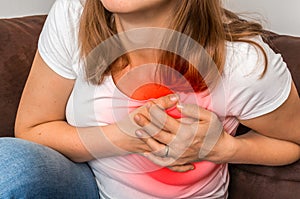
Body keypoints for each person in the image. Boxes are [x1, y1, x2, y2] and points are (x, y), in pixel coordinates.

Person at [0, 0, 299, 198]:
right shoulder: (74, 13)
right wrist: (122, 137)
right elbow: (32, 129)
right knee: (9, 161)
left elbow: (294, 142)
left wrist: (224, 147)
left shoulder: (243, 62)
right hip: (88, 184)